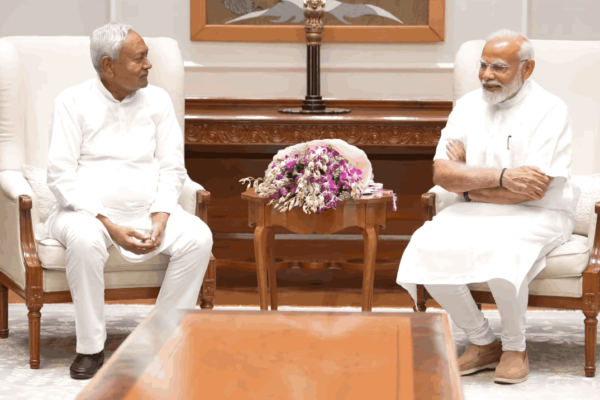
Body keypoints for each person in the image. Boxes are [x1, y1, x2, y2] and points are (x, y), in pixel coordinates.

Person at [396, 29, 577, 384]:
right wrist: (501, 177)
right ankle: (482, 341)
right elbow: (442, 174)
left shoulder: (550, 110)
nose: (486, 75)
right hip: (471, 208)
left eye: (499, 67)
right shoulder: (466, 107)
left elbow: (533, 189)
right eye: (483, 66)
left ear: (527, 69)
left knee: (503, 248)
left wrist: (469, 181)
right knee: (424, 246)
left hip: (541, 213)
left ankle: (515, 348)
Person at [40, 22, 213, 379]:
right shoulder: (72, 101)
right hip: (85, 214)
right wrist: (107, 224)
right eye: (139, 58)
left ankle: (160, 339)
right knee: (85, 241)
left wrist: (162, 215)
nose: (148, 64)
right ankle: (91, 348)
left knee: (199, 237)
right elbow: (60, 174)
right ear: (108, 66)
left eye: (147, 56)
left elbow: (172, 167)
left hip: (147, 211)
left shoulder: (159, 100)